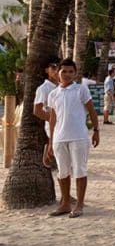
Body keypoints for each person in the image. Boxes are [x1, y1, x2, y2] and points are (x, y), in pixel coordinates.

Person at [46, 58, 100, 218]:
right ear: (58, 73)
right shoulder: (53, 94)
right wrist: (50, 142)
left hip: (79, 137)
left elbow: (91, 111)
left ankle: (79, 204)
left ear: (75, 73)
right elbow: (52, 118)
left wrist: (96, 130)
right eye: (64, 71)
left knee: (79, 169)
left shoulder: (81, 90)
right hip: (59, 138)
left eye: (71, 71)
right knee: (62, 172)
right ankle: (65, 203)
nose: (67, 74)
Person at [31, 56, 61, 168]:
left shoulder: (61, 87)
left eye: (59, 67)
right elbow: (37, 110)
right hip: (52, 123)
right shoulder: (44, 88)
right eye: (53, 67)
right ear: (47, 70)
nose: (56, 71)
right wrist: (52, 118)